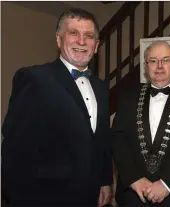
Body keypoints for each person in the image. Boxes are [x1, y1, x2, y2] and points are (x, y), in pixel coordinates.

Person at [1, 8, 113, 206]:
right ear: (59, 40)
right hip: (45, 197)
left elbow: (100, 140)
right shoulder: (35, 79)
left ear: (96, 46)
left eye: (89, 36)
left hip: (89, 195)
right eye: (73, 33)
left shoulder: (101, 87)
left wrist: (104, 181)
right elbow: (14, 149)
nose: (81, 41)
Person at [111, 40, 170, 207]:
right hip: (133, 195)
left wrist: (166, 184)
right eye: (153, 61)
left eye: (166, 60)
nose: (159, 66)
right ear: (146, 66)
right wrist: (134, 179)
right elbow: (118, 140)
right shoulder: (128, 96)